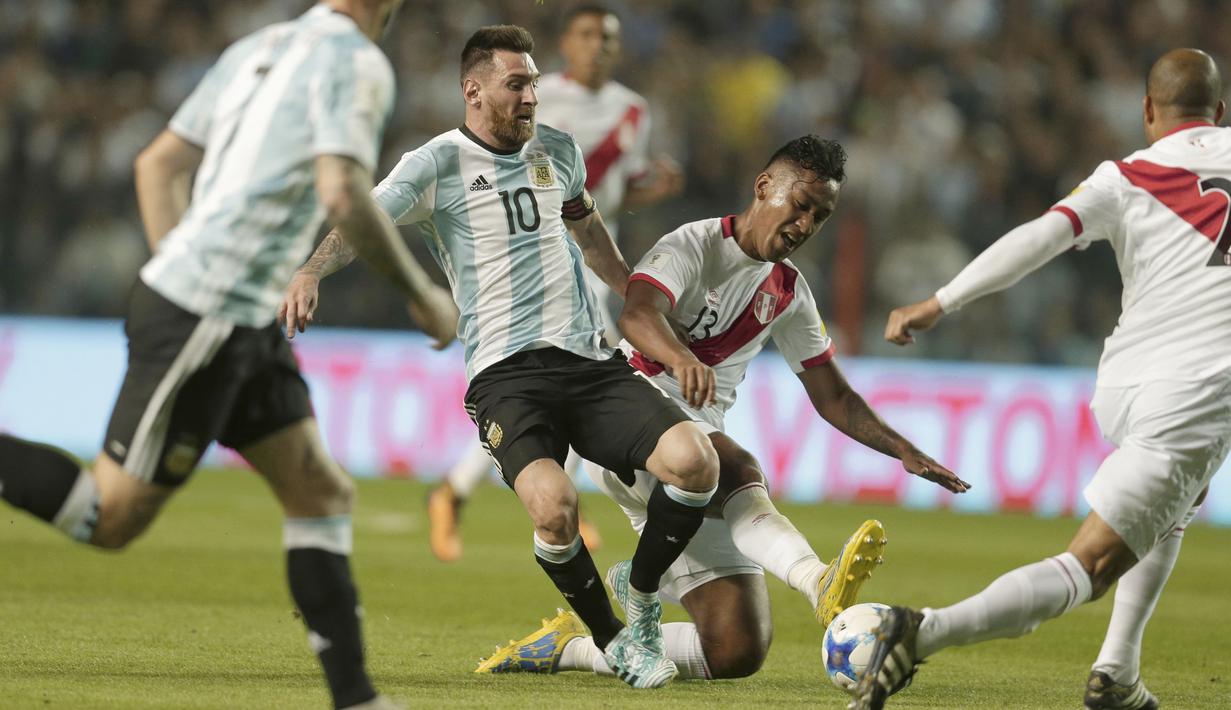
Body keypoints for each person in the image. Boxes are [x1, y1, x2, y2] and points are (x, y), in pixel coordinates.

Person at [0, 3, 457, 709]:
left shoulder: (261, 46)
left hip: (232, 316)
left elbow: (157, 167)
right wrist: (422, 294)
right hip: (209, 315)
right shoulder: (358, 62)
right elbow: (342, 192)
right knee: (109, 517)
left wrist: (186, 273)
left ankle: (357, 699)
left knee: (320, 491)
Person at [280, 25, 720, 690]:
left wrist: (638, 294)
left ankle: (641, 586)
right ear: (474, 90)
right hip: (504, 376)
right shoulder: (434, 163)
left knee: (695, 463)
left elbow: (588, 230)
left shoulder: (558, 151)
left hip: (587, 360)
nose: (531, 96)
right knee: (554, 507)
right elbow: (363, 223)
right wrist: (310, 271)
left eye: (534, 84)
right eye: (516, 84)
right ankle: (613, 642)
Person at [474, 135, 969, 681]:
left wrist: (903, 451)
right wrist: (681, 358)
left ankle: (576, 646)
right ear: (764, 187)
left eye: (820, 217)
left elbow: (833, 396)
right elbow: (638, 314)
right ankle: (814, 580)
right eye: (800, 206)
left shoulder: (787, 291)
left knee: (736, 647)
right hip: (631, 416)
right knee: (737, 469)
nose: (805, 225)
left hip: (693, 461)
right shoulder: (693, 243)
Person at [852, 48, 1230, 710]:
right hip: (1195, 390)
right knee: (1090, 566)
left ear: (1147, 111)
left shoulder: (1125, 175)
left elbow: (1039, 237)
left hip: (1126, 379)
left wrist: (940, 300)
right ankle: (916, 633)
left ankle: (1116, 672)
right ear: (1220, 113)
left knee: (1178, 501)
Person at [426, 3, 685, 562]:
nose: (599, 45)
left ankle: (495, 493)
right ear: (567, 43)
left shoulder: (632, 110)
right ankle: (466, 491)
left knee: (574, 379)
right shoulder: (540, 98)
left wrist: (651, 190)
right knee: (546, 379)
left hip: (591, 248)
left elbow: (603, 188)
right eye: (588, 34)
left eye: (609, 38)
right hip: (528, 254)